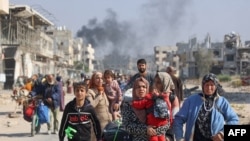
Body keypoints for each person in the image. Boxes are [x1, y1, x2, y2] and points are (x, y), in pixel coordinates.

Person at [173, 73, 239, 141]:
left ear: (216, 86)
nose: (209, 88)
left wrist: (222, 134)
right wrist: (179, 137)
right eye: (206, 85)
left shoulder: (222, 102)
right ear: (202, 86)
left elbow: (234, 119)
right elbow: (179, 119)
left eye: (212, 85)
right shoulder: (191, 101)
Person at [121, 77, 169, 141]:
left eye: (144, 87)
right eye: (138, 87)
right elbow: (126, 125)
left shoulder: (156, 101)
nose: (141, 89)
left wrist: (155, 130)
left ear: (147, 89)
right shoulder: (128, 105)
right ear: (134, 89)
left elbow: (167, 122)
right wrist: (146, 129)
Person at [86, 71, 112, 139]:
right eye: (97, 78)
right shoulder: (90, 92)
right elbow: (90, 106)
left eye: (101, 78)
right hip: (97, 126)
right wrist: (99, 96)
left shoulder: (102, 90)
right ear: (93, 80)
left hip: (107, 124)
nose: (100, 80)